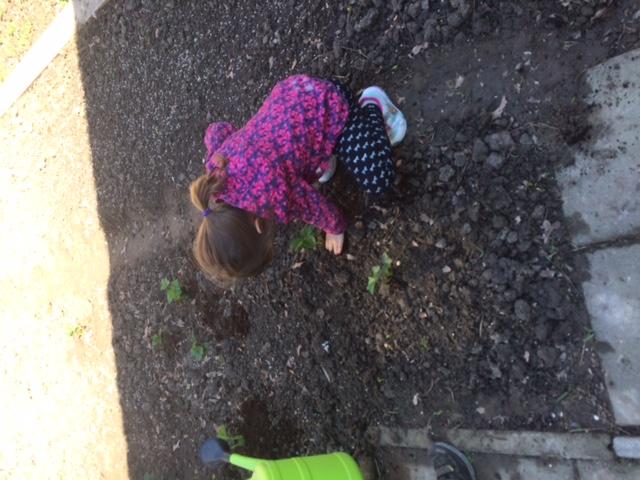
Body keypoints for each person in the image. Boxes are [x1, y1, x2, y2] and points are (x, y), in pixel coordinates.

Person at [189, 74, 407, 282]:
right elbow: (216, 130)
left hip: (331, 105)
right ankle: (321, 154)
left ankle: (372, 106)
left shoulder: (273, 193)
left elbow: (316, 208)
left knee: (379, 178)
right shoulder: (218, 174)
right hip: (295, 94)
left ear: (258, 225)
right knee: (292, 161)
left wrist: (335, 228)